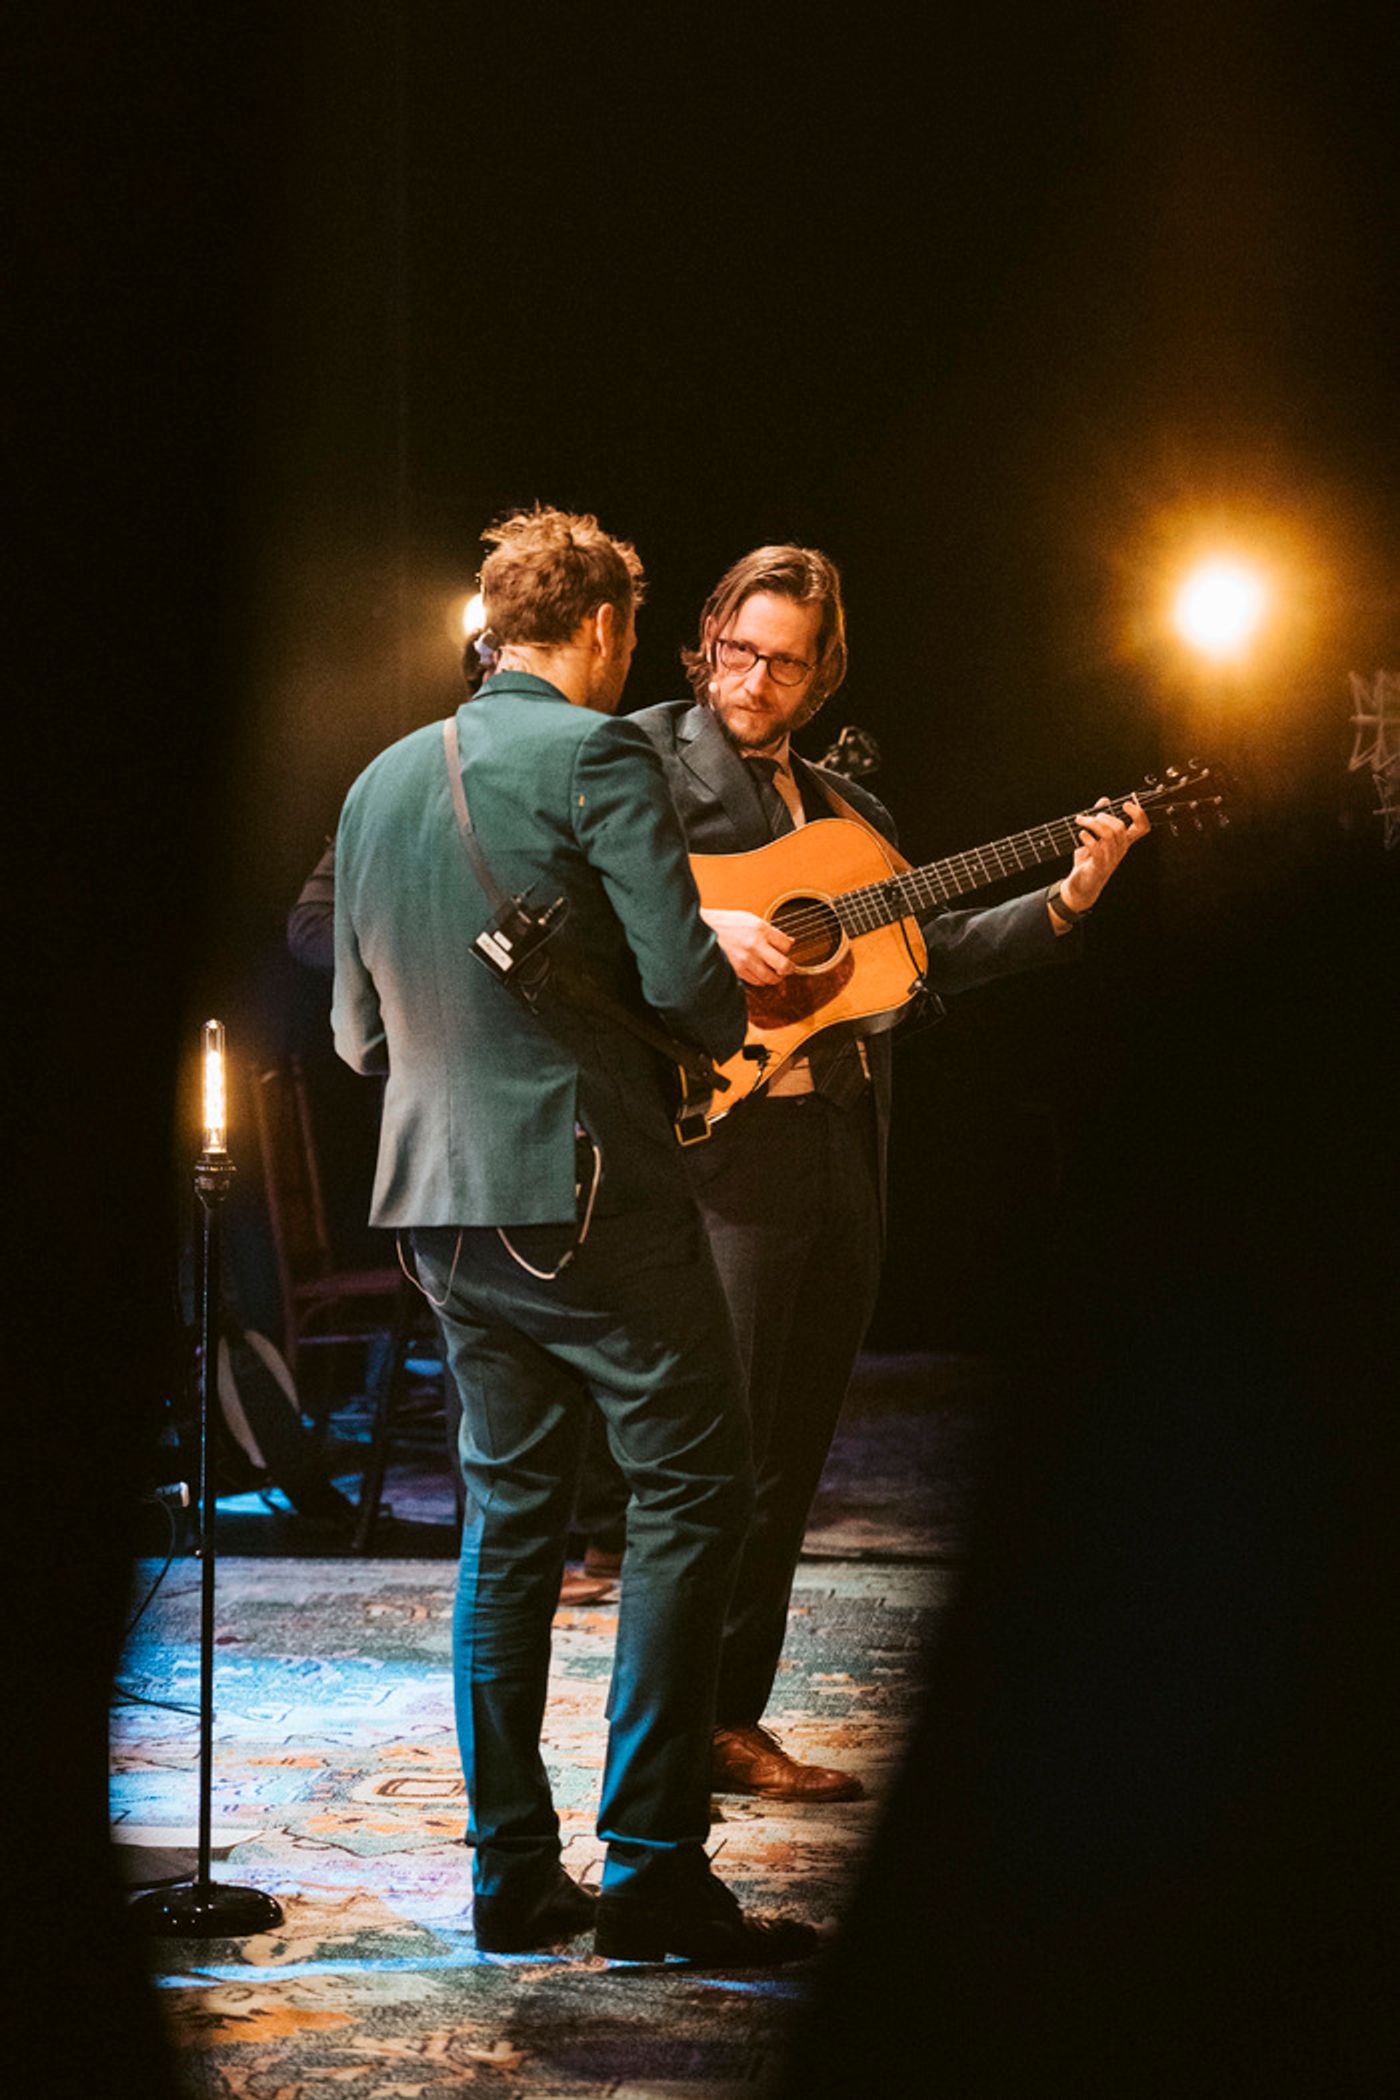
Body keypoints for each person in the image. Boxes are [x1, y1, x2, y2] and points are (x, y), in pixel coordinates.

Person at [332, 506, 816, 1966]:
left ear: (494, 622)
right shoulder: (604, 751)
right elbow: (692, 990)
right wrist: (717, 983)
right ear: (604, 629)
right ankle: (658, 1874)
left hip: (438, 1208)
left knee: (510, 1530)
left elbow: (358, 1036)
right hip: (589, 1196)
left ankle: (511, 1880)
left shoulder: (377, 780)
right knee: (693, 1493)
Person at [628, 544, 1148, 1804]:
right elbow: (583, 902)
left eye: (785, 664)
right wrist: (712, 925)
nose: (755, 680)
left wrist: (1069, 901)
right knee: (718, 1449)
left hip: (838, 1144)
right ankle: (661, 1740)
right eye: (740, 650)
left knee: (791, 1454)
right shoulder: (636, 758)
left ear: (821, 676)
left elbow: (927, 950)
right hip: (722, 1146)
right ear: (704, 635)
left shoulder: (847, 820)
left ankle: (728, 1722)